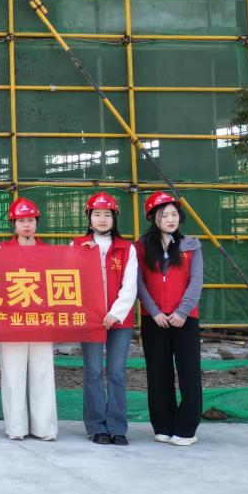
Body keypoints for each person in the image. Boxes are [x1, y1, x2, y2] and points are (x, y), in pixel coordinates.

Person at [136, 191, 204, 446]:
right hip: (154, 320)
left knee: (189, 373)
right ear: (153, 218)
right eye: (164, 215)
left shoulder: (191, 246)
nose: (171, 219)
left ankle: (186, 429)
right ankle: (163, 425)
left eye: (174, 214)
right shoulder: (141, 247)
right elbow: (138, 282)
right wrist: (154, 312)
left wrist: (182, 312)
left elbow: (196, 281)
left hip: (185, 320)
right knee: (158, 373)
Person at [73, 191, 138, 446]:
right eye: (97, 214)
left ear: (114, 218)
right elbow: (69, 280)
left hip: (119, 320)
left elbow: (130, 285)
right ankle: (96, 426)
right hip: (90, 319)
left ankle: (117, 427)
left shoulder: (127, 248)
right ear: (89, 218)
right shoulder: (77, 245)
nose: (102, 219)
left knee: (117, 372)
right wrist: (82, 255)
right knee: (92, 371)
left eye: (107, 215)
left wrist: (115, 313)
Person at [0, 198, 58, 441]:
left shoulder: (50, 252)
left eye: (30, 220)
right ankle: (16, 428)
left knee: (42, 372)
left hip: (42, 320)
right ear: (13, 223)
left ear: (37, 222)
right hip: (11, 320)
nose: (26, 225)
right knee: (13, 373)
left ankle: (45, 428)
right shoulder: (1, 251)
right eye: (21, 220)